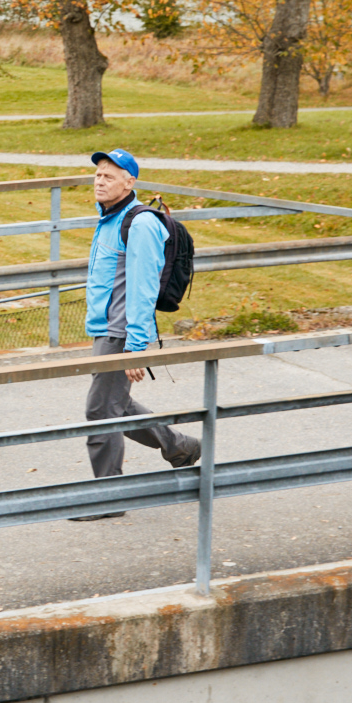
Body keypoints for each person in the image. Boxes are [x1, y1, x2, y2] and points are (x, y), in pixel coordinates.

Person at [79, 147, 199, 510]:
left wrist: (136, 345)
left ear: (129, 183)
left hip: (121, 333)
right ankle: (180, 447)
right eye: (98, 175)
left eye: (109, 176)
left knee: (101, 413)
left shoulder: (140, 224)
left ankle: (108, 498)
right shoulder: (109, 219)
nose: (100, 181)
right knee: (116, 405)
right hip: (106, 329)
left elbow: (143, 287)